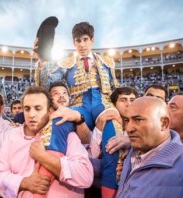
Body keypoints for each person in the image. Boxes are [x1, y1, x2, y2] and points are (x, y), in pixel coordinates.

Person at [35, 22, 121, 197]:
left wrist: (119, 113)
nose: (81, 44)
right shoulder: (66, 63)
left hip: (103, 104)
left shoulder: (106, 62)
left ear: (92, 40)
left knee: (112, 140)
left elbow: (114, 90)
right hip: (80, 105)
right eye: (77, 41)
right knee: (60, 120)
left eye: (85, 40)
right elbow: (47, 83)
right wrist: (42, 60)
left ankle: (109, 192)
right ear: (73, 43)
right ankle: (44, 178)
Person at [0, 86, 93, 198]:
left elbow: (86, 177)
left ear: (50, 111)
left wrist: (44, 157)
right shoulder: (12, 136)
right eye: (27, 109)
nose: (31, 114)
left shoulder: (67, 135)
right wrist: (24, 182)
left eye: (38, 108)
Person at [117, 97, 183, 198]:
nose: (129, 128)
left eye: (138, 120)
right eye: (127, 120)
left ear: (164, 124)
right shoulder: (134, 152)